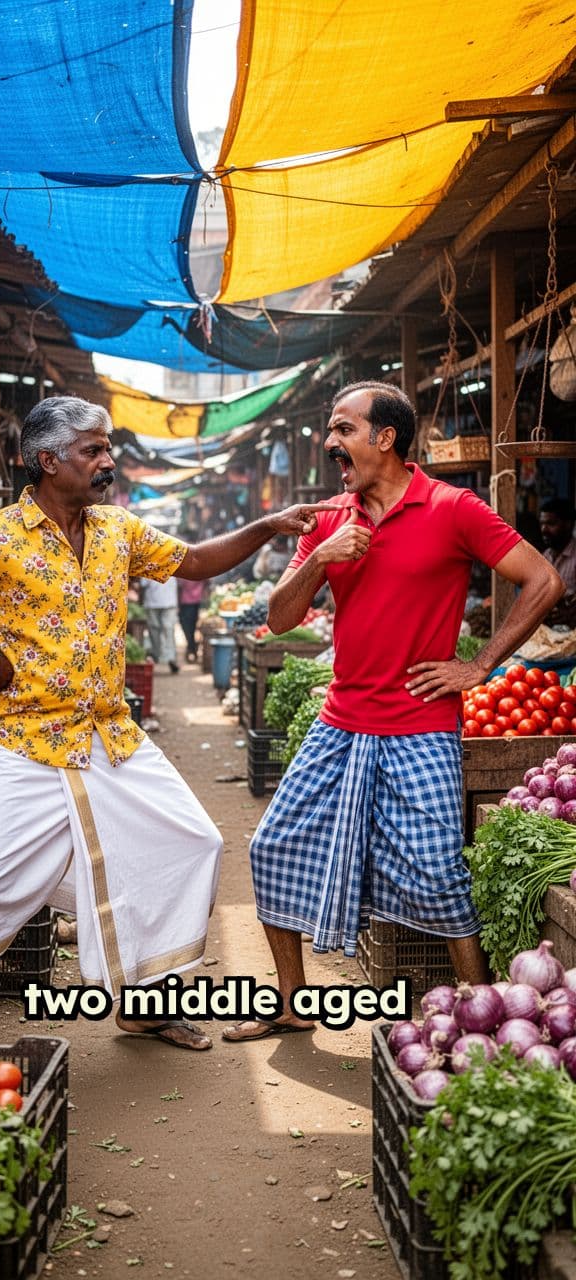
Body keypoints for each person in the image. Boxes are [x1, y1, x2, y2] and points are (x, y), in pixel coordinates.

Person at [0, 395, 331, 1051]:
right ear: (47, 460)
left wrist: (268, 526)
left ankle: (145, 1005)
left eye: (107, 448)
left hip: (110, 736)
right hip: (24, 741)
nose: (107, 460)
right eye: (93, 449)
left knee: (193, 844)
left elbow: (196, 560)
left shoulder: (119, 530)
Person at [223, 380, 564, 1042]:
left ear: (386, 438)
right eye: (331, 429)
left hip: (421, 726)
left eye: (343, 429)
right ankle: (290, 1002)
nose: (330, 442)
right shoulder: (329, 518)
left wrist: (479, 665)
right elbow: (281, 618)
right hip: (340, 720)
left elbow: (543, 580)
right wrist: (319, 559)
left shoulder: (453, 508)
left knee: (438, 874)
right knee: (271, 849)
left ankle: (479, 1013)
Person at [141, 573, 179, 673]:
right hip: (153, 602)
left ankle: (170, 658)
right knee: (157, 631)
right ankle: (157, 656)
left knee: (167, 629)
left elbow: (142, 584)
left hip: (168, 601)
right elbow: (143, 583)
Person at [177, 575, 205, 663]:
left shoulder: (184, 571)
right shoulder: (201, 570)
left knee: (188, 627)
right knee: (190, 628)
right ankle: (192, 647)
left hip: (187, 602)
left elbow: (179, 586)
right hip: (193, 601)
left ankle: (191, 648)